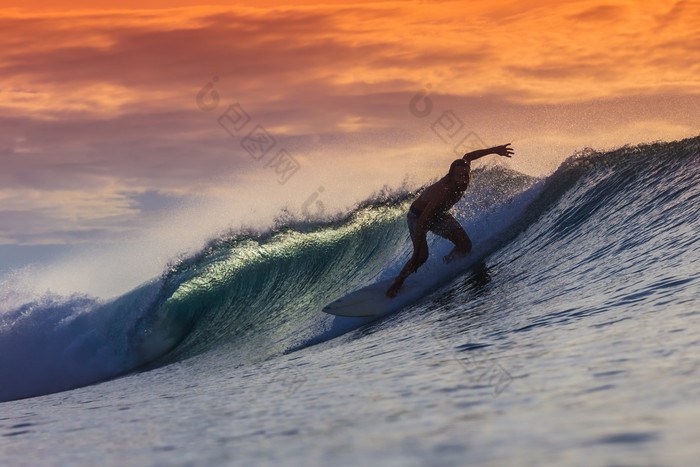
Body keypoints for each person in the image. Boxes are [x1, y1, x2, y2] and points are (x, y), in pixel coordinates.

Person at [386, 143, 514, 298]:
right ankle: (398, 282)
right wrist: (415, 253)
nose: (464, 179)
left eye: (466, 175)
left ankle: (447, 264)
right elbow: (422, 222)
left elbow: (468, 156)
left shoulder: (463, 170)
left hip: (438, 214)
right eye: (459, 176)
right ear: (452, 177)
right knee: (421, 257)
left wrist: (494, 150)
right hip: (418, 216)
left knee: (465, 245)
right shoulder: (443, 193)